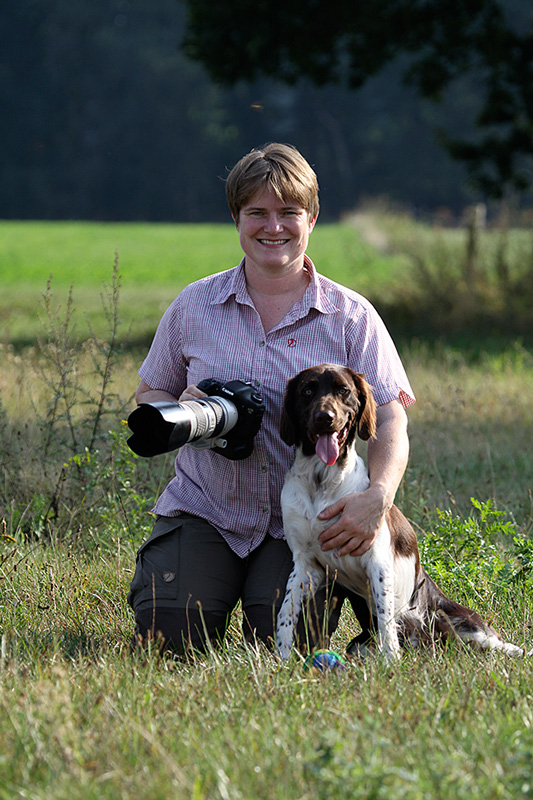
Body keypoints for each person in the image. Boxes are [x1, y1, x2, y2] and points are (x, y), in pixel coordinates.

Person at [127, 142, 415, 654]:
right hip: (206, 509)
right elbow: (148, 394)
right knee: (166, 641)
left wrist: (378, 496)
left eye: (289, 212)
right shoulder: (194, 305)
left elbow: (390, 417)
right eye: (256, 212)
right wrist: (187, 405)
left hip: (301, 526)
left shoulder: (351, 317)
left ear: (313, 217)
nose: (273, 227)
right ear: (236, 217)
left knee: (284, 643)